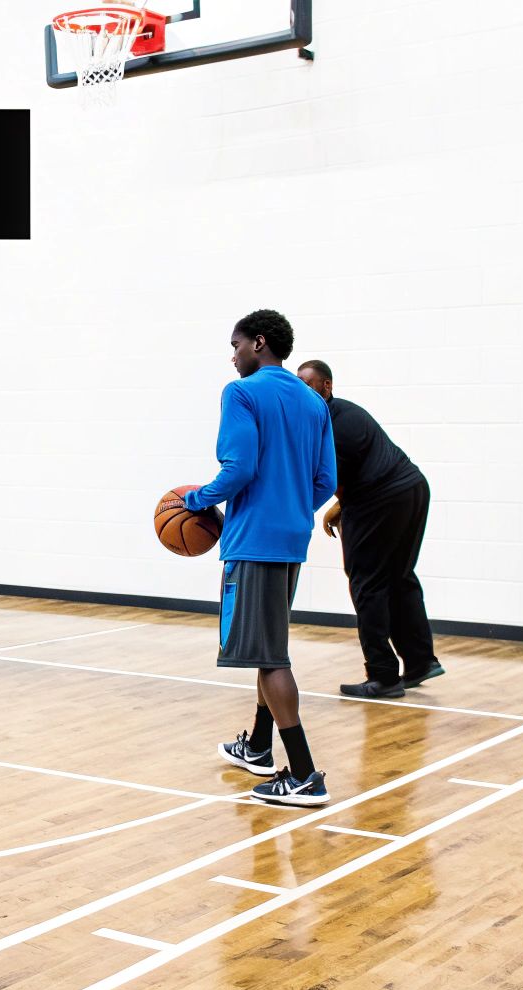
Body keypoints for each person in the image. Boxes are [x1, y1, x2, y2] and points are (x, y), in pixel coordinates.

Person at [183, 310, 337, 807]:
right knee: (266, 644)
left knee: (271, 656)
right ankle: (258, 746)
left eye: (236, 345)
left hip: (254, 542)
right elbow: (326, 482)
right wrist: (291, 510)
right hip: (291, 539)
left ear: (259, 343)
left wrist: (198, 500)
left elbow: (239, 467)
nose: (232, 356)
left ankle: (305, 773)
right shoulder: (313, 402)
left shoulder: (242, 393)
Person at [296, 359, 442, 699]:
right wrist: (341, 505)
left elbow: (327, 479)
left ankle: (383, 675)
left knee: (366, 582)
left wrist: (323, 508)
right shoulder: (339, 414)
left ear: (327, 387)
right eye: (297, 384)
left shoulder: (332, 423)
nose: (301, 390)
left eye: (308, 383)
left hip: (383, 498)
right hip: (409, 489)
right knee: (398, 577)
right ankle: (421, 661)